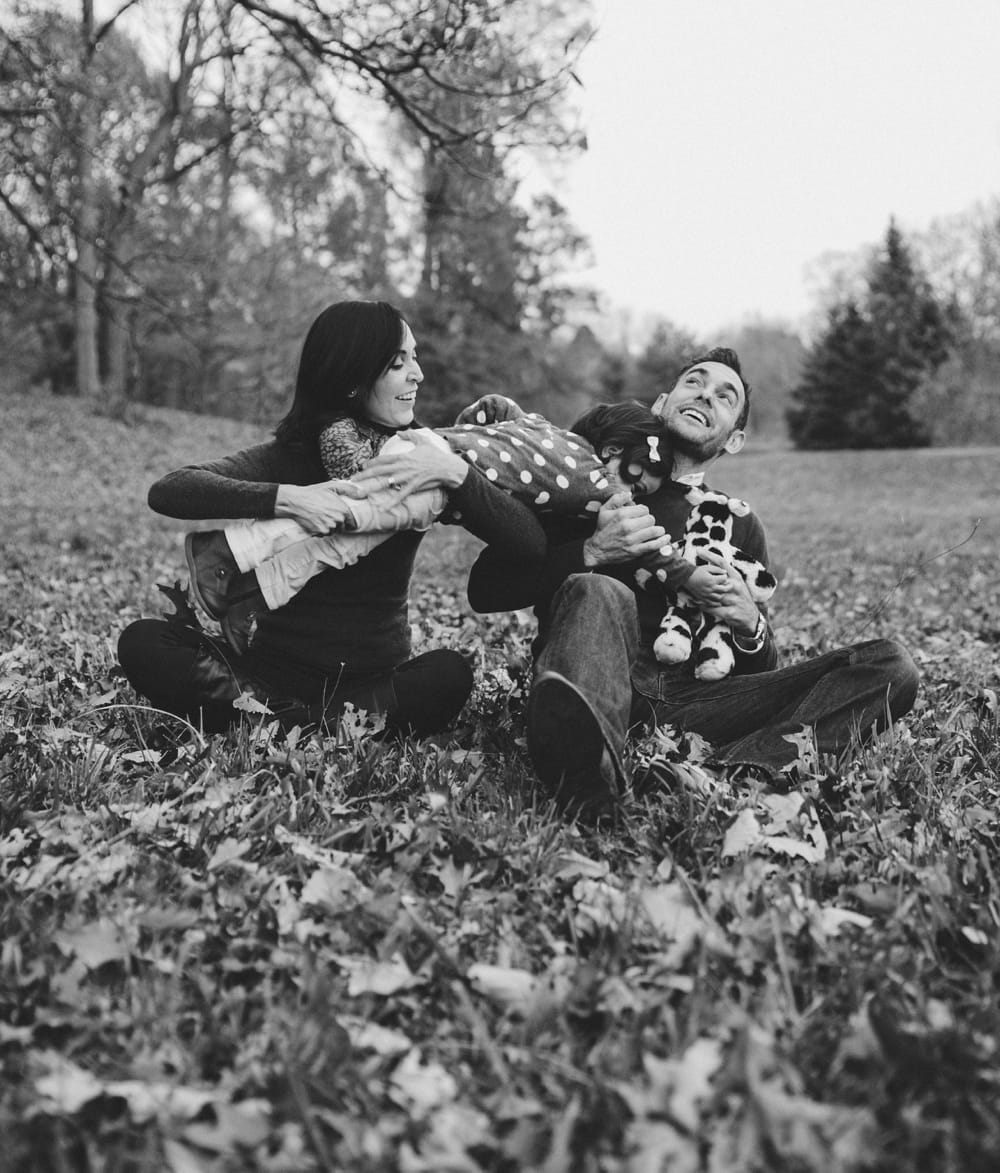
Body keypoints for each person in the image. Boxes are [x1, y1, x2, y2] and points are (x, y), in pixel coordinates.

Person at [381, 348, 919, 822]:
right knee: (601, 591)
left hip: (697, 701)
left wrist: (748, 622)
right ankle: (590, 775)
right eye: (695, 382)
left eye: (724, 396)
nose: (706, 395)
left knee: (890, 665)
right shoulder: (586, 478)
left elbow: (759, 671)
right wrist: (590, 553)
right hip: (596, 673)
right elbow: (487, 589)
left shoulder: (738, 524)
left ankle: (732, 774)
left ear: (734, 440)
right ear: (662, 403)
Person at [116, 299, 550, 739]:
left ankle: (280, 725)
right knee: (144, 642)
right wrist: (290, 500)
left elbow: (529, 542)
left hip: (369, 681)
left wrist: (456, 475)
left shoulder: (420, 460)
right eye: (398, 364)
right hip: (266, 673)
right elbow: (170, 490)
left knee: (449, 674)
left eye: (414, 358)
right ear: (353, 378)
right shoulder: (291, 455)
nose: (417, 374)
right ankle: (309, 725)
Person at [183, 401, 676, 654]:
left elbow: (494, 407)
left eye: (641, 493)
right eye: (634, 480)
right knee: (345, 514)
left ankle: (250, 595)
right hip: (431, 470)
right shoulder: (593, 481)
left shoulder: (541, 427)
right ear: (613, 453)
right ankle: (226, 550)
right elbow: (642, 535)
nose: (630, 496)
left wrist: (464, 434)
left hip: (434, 460)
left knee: (346, 539)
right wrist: (681, 568)